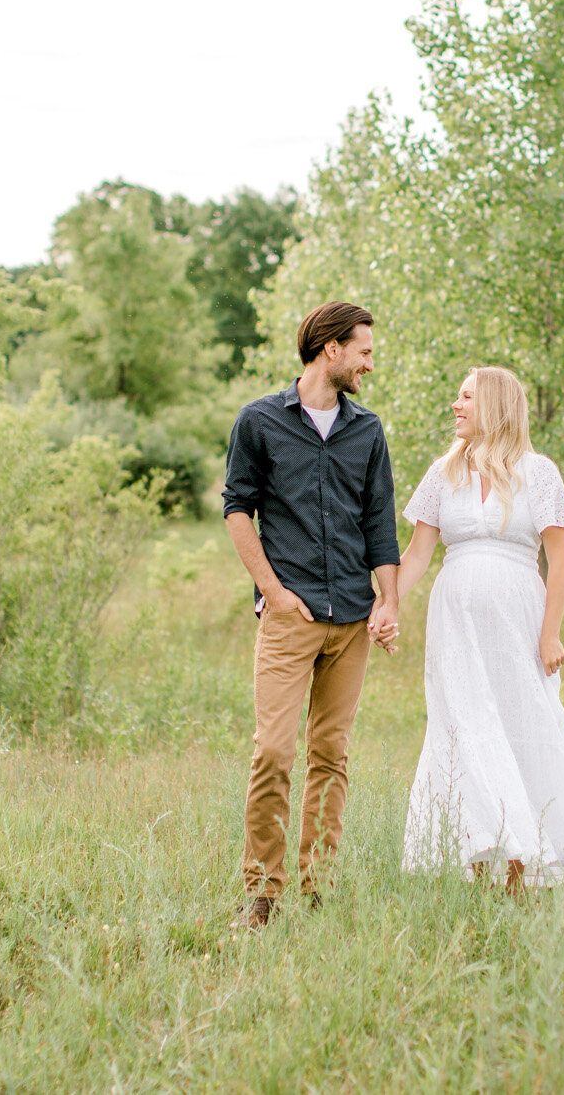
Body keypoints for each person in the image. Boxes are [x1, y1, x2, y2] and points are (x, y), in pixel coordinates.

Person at [222, 301, 401, 930]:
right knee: (273, 752)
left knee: (331, 754)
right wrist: (272, 588)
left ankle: (318, 886)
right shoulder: (260, 421)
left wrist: (390, 600)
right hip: (290, 612)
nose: (369, 364)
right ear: (331, 349)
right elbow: (237, 509)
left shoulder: (367, 430)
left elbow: (380, 521)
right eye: (364, 352)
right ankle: (261, 895)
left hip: (353, 615)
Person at [395, 365, 564, 894]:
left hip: (519, 620)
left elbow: (559, 559)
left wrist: (550, 633)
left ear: (493, 405)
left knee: (521, 726)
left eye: (466, 397)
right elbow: (419, 554)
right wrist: (387, 603)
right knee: (463, 729)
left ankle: (525, 862)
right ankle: (481, 861)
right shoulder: (444, 472)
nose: (456, 406)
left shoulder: (539, 472)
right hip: (456, 623)